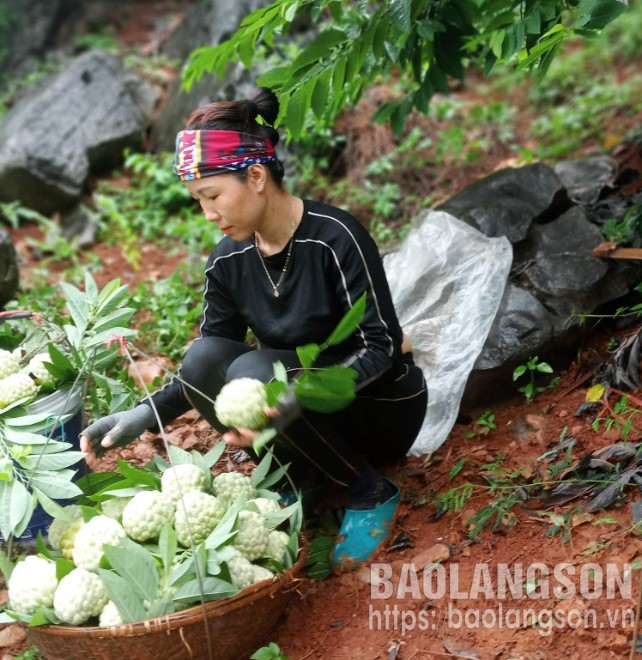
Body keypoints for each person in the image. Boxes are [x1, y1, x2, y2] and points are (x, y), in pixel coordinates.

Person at [80, 88, 428, 570]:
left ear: (257, 176)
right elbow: (207, 363)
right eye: (199, 200)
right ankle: (305, 477)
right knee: (206, 357)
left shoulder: (335, 238)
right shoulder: (229, 260)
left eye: (213, 196)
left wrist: (299, 394)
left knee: (259, 369)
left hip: (379, 409)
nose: (208, 213)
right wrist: (144, 415)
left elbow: (382, 346)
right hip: (294, 410)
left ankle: (368, 490)